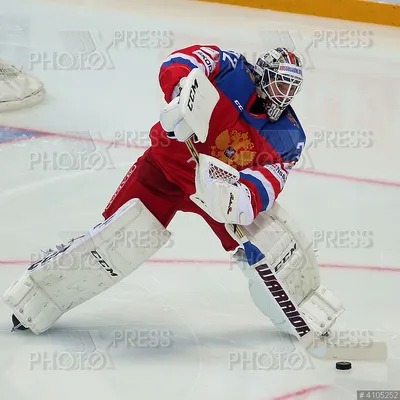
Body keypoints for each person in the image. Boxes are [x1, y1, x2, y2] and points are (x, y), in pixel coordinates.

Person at [102, 45, 306, 253]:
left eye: (291, 89)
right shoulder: (232, 68)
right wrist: (180, 91)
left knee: (257, 247)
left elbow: (270, 179)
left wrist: (247, 196)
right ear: (263, 74)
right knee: (113, 238)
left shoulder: (289, 134)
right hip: (164, 169)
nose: (285, 96)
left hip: (215, 194)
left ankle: (253, 267)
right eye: (281, 85)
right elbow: (182, 59)